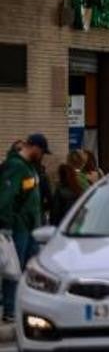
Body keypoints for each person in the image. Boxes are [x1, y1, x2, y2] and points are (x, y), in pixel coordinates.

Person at [0, 134, 50, 323]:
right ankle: (11, 309)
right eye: (42, 151)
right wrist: (5, 224)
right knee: (14, 268)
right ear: (34, 147)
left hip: (31, 227)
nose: (43, 155)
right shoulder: (15, 166)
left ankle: (23, 307)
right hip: (19, 226)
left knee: (28, 271)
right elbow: (6, 196)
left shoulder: (30, 167)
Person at [52, 151, 88, 224]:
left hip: (65, 223)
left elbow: (55, 211)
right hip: (82, 220)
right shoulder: (85, 178)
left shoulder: (63, 180)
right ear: (82, 162)